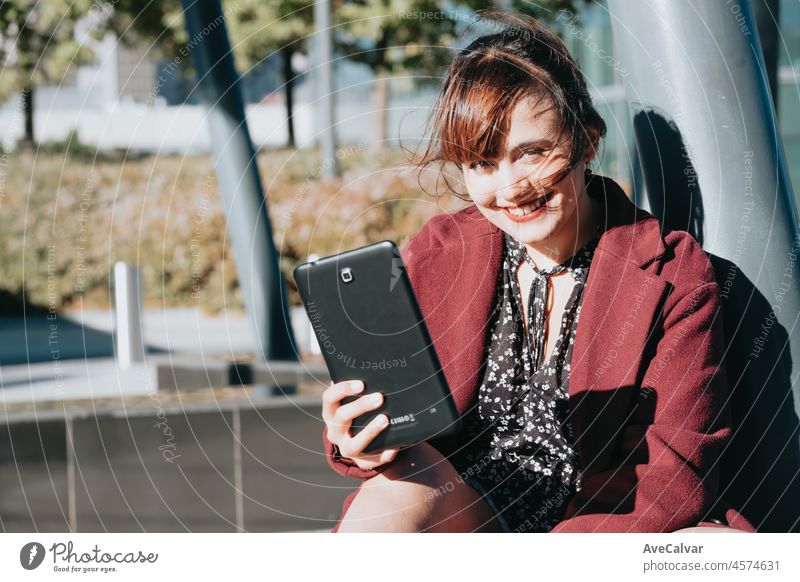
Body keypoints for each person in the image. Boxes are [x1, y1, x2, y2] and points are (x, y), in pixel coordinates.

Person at [320, 11, 755, 533]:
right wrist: (359, 441)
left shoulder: (676, 274)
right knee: (388, 495)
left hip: (598, 530)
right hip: (460, 510)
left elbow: (673, 476)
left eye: (532, 153)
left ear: (587, 140)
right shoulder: (438, 252)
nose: (509, 189)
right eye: (482, 163)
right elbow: (396, 431)